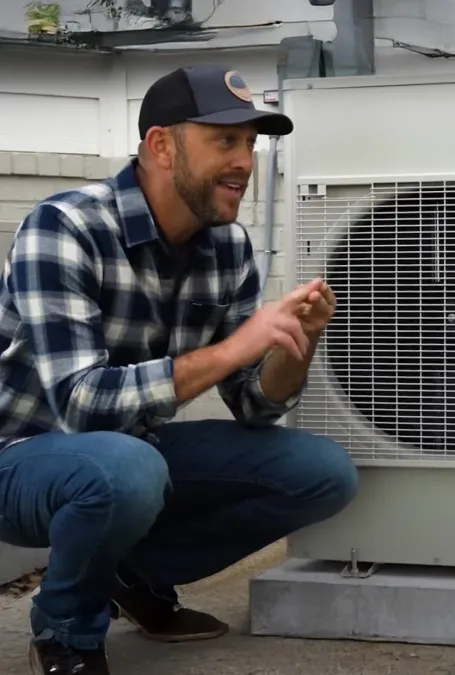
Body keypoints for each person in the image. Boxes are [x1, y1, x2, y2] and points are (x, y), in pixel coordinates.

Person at [0, 65, 358, 675]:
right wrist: (233, 348)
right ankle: (66, 633)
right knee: (127, 467)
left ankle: (133, 576)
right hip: (22, 457)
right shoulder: (65, 227)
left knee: (321, 473)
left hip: (129, 450)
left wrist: (295, 343)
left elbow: (254, 405)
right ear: (161, 146)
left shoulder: (228, 247)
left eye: (251, 143)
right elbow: (81, 405)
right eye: (225, 140)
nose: (245, 162)